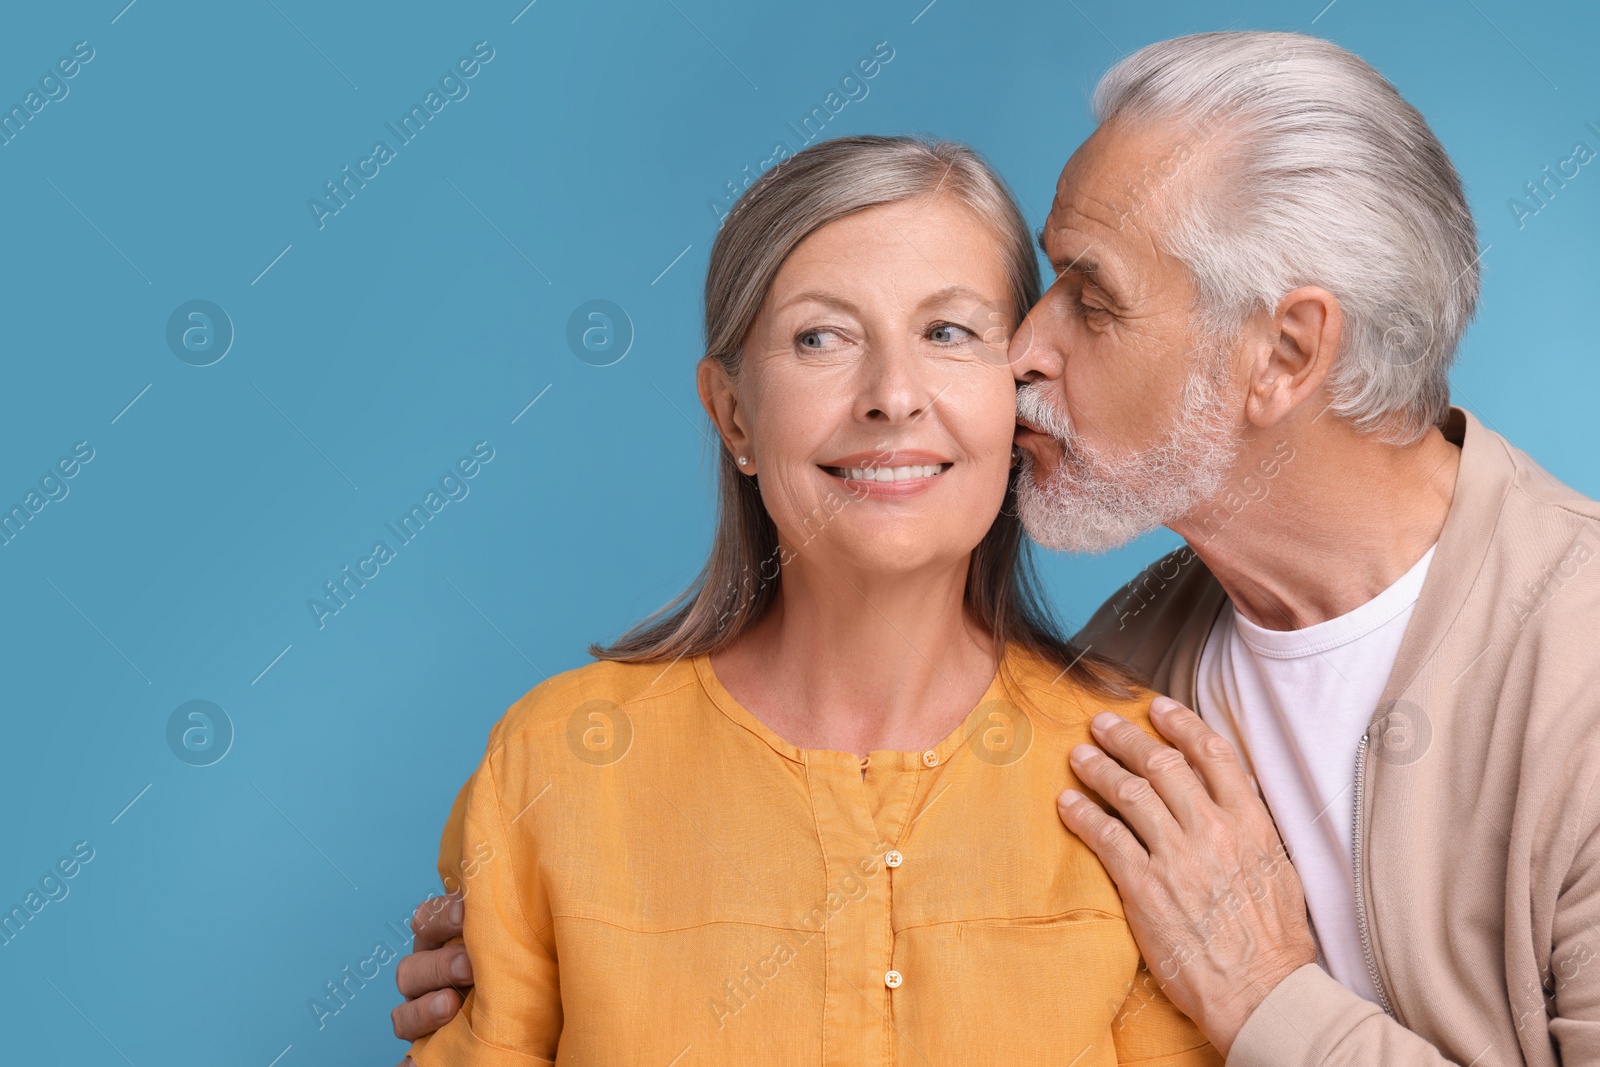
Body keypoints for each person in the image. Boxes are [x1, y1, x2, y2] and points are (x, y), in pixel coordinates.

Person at [399, 30, 1600, 1067]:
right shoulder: (1129, 681)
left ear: (1283, 354)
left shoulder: (1576, 660)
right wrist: (540, 921)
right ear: (730, 413)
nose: (1019, 353)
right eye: (821, 337)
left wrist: (1270, 1000)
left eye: (1088, 292)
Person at [398, 135, 1221, 1065]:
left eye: (948, 332)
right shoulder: (555, 767)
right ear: (734, 415)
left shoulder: (1141, 783)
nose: (893, 395)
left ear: (1018, 391)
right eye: (819, 337)